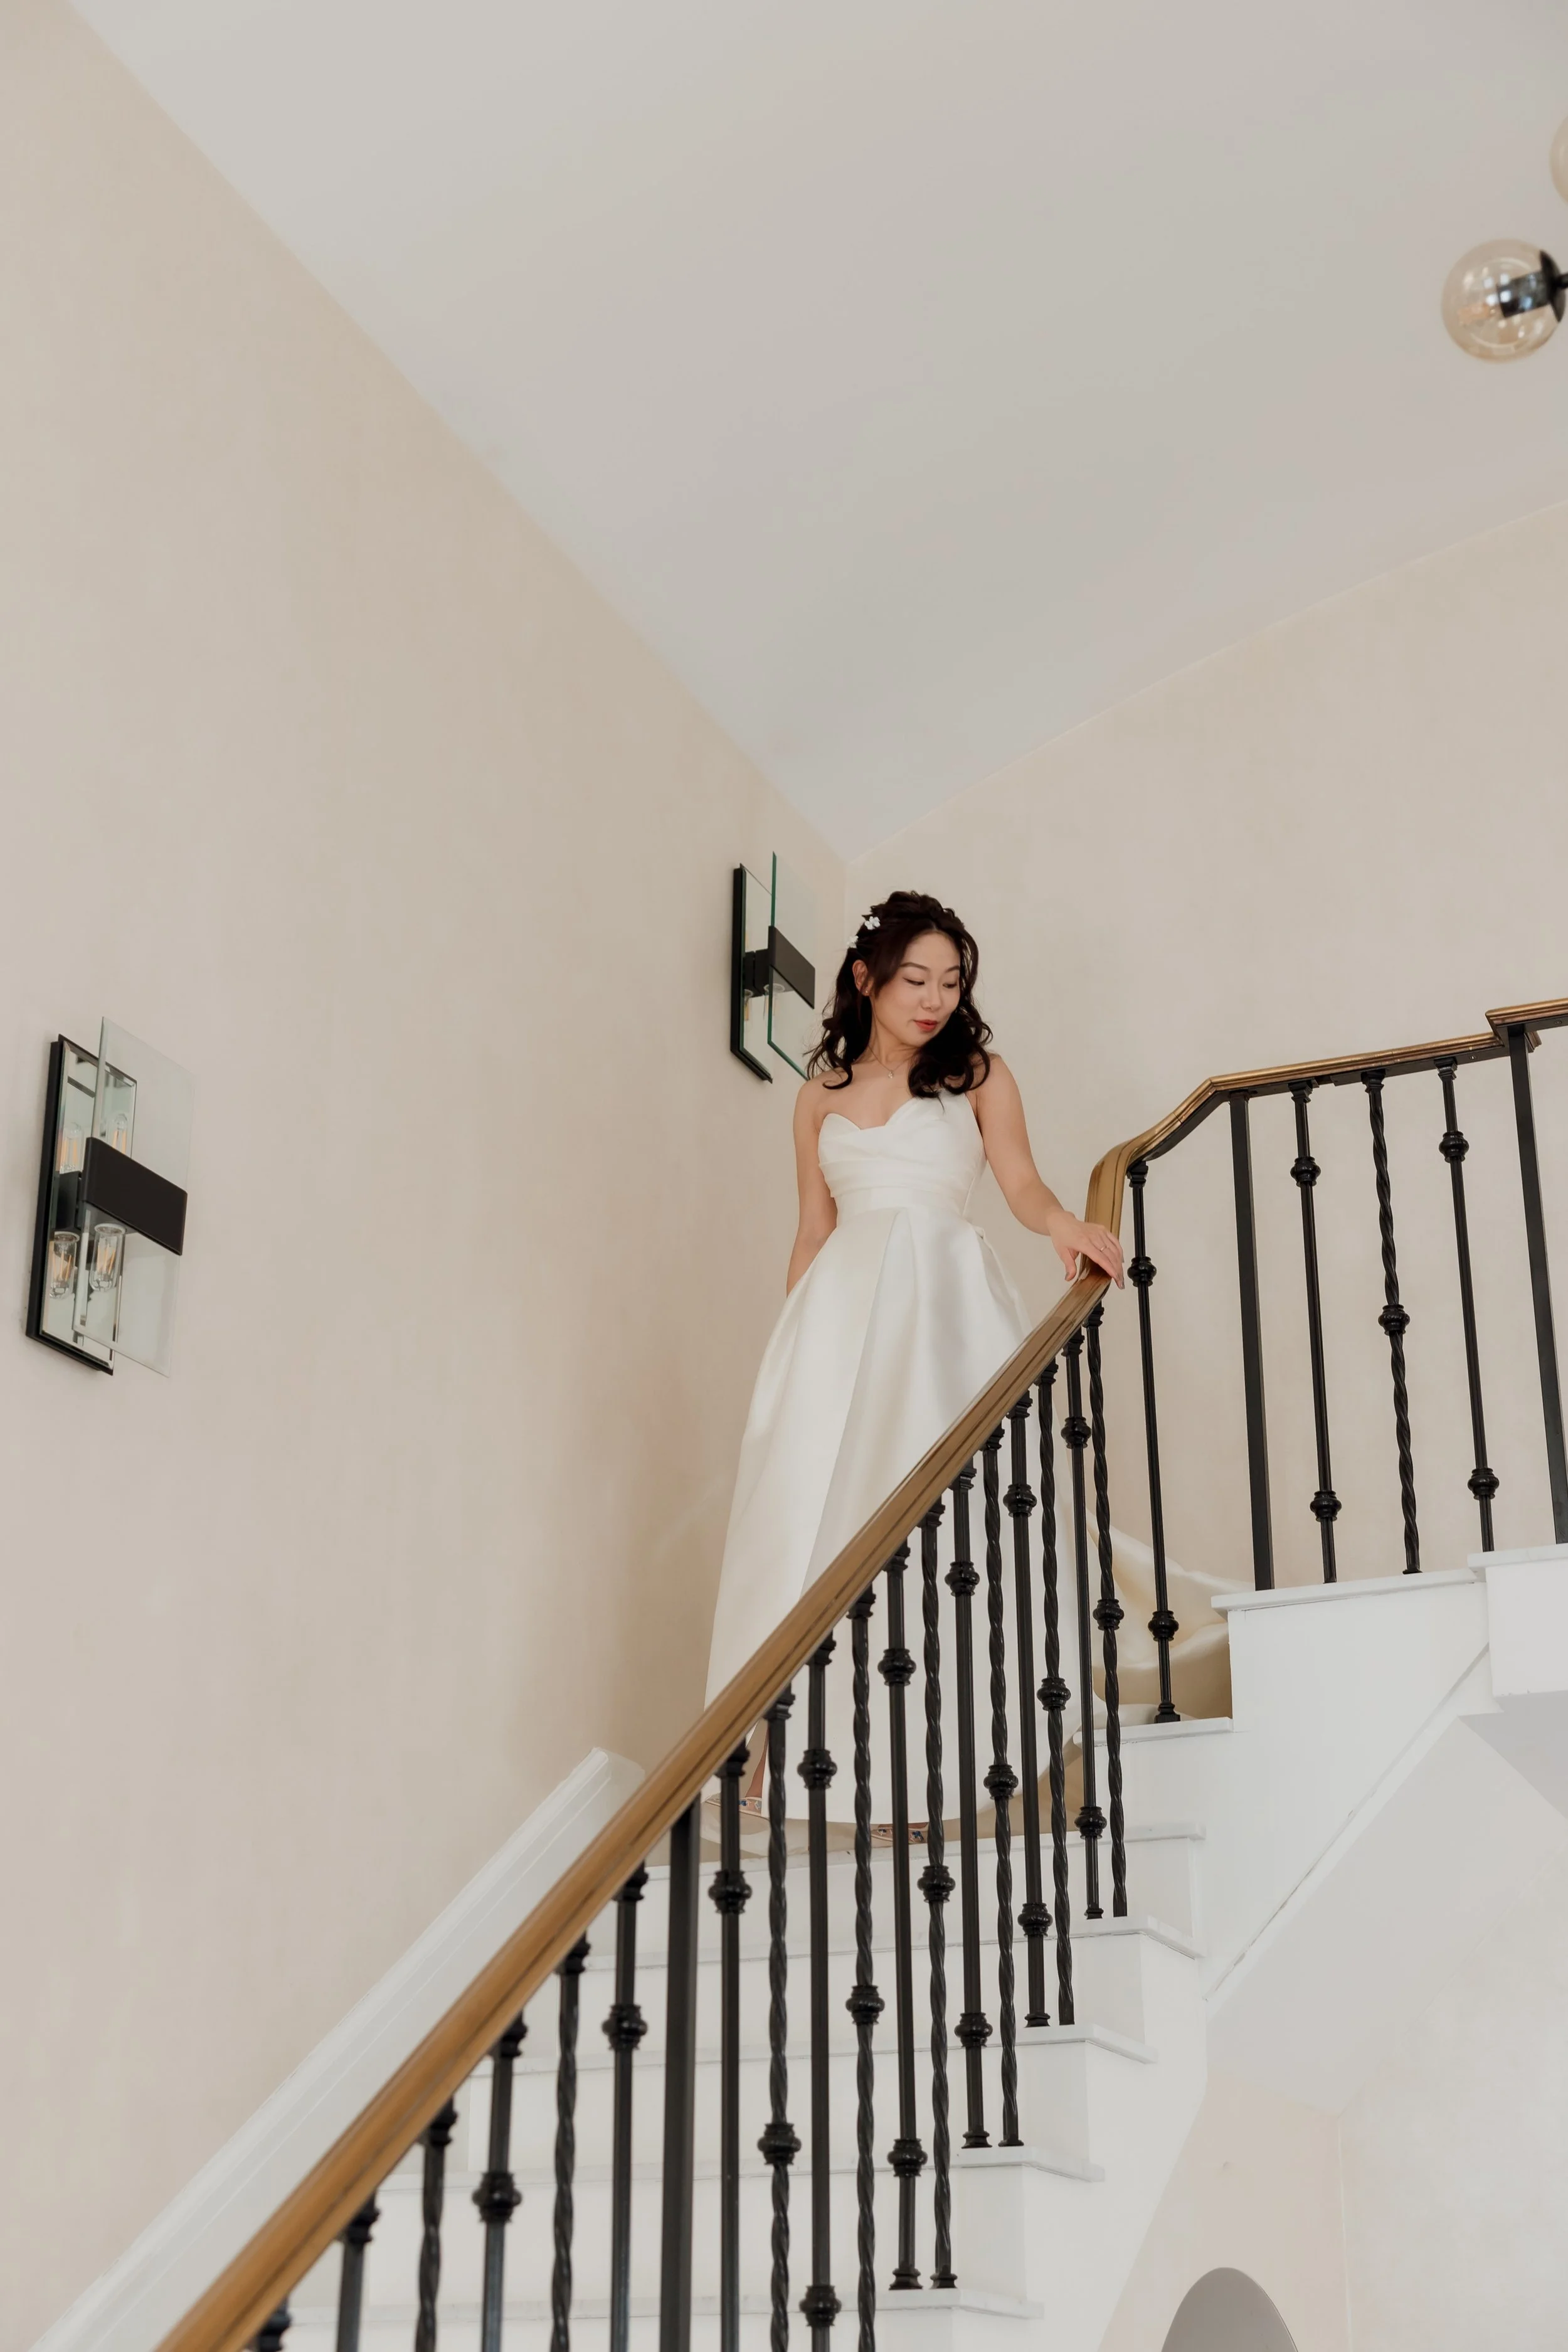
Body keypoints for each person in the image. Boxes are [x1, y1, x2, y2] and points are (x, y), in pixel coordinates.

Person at [705, 892, 1176, 1816]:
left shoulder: (980, 1077)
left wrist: (1067, 1225)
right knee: (817, 1523)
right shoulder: (815, 1100)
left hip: (944, 1306)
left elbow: (1022, 1183)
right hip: (834, 1320)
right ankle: (787, 1754)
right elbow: (813, 1230)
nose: (933, 998)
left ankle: (945, 1765)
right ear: (864, 979)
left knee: (945, 1520)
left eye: (951, 981)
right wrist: (792, 1345)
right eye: (915, 978)